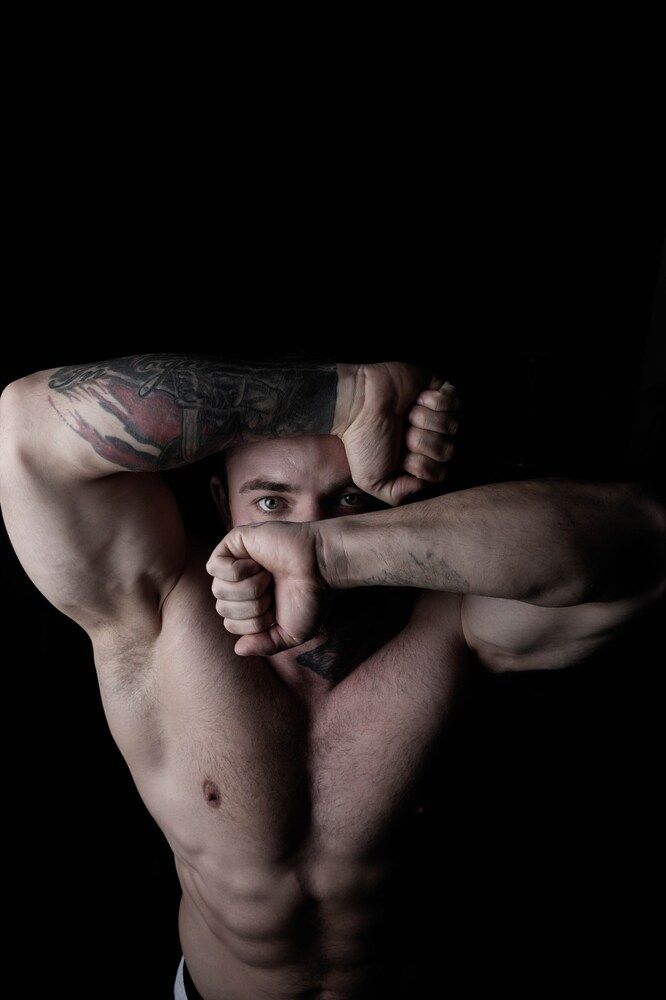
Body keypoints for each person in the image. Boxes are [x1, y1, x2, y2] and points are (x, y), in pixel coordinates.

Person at [0, 355, 663, 999]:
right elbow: (32, 422)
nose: (304, 528)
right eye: (271, 501)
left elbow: (646, 539)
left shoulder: (453, 630)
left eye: (349, 499)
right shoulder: (158, 618)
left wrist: (330, 555)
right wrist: (351, 399)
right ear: (221, 501)